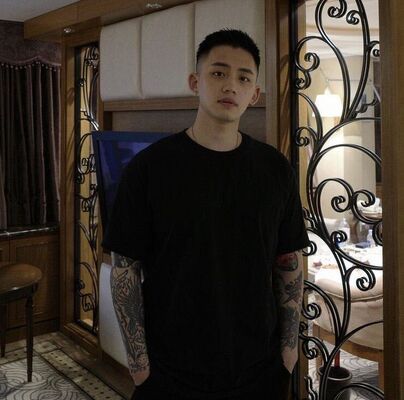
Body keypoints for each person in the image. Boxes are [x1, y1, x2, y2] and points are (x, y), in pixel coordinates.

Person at [102, 29, 309, 400]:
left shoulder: (276, 170)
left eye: (243, 78)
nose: (230, 85)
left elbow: (288, 261)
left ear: (254, 94)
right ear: (195, 82)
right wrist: (139, 365)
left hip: (259, 367)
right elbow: (124, 269)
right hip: (170, 371)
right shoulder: (149, 169)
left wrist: (289, 350)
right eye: (218, 72)